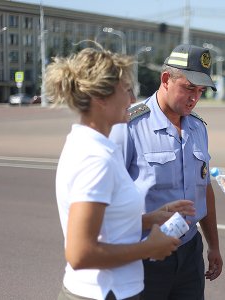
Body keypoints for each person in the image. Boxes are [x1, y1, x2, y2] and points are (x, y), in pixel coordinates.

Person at [47, 46, 195, 300]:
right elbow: (80, 253)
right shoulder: (95, 159)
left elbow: (106, 225)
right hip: (102, 293)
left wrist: (151, 219)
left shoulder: (93, 145)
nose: (133, 98)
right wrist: (148, 247)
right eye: (126, 90)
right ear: (101, 98)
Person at [110, 44, 223, 299]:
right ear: (166, 80)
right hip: (145, 254)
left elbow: (204, 189)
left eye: (201, 91)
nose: (195, 98)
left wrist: (213, 245)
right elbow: (108, 199)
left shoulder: (197, 128)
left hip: (189, 251)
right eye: (189, 88)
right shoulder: (130, 125)